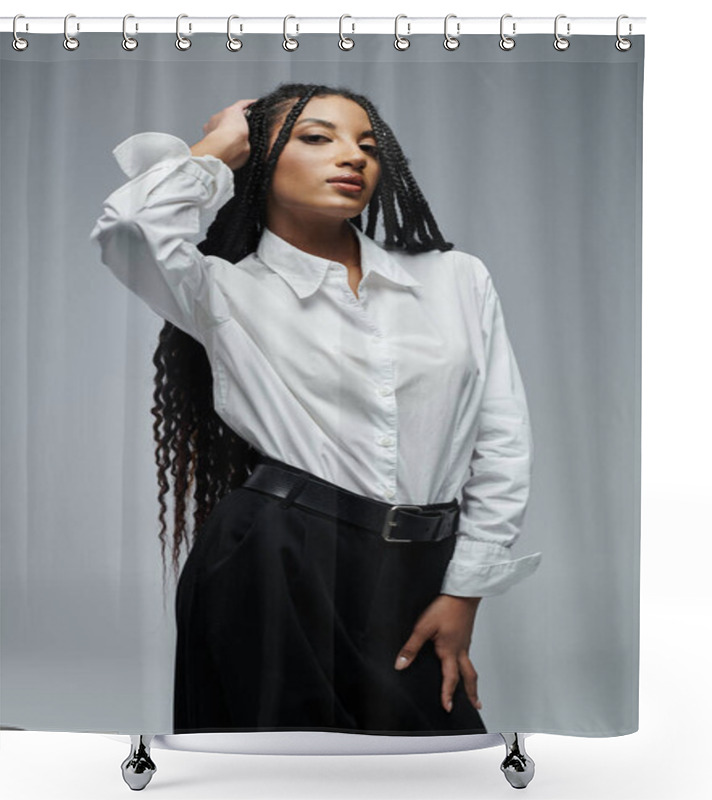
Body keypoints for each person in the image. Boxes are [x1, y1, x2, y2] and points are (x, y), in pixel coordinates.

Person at [89, 82, 542, 735]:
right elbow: (131, 228)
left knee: (425, 768)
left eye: (367, 144)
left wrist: (464, 587)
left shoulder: (457, 280)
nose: (353, 157)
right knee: (274, 775)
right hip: (274, 560)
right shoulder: (224, 290)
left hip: (420, 567)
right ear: (261, 162)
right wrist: (220, 147)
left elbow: (501, 437)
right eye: (316, 137)